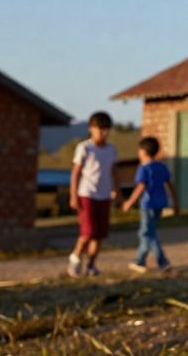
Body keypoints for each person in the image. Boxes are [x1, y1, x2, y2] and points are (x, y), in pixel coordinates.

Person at [68, 111, 118, 278]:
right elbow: (75, 173)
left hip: (104, 195)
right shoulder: (84, 148)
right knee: (87, 232)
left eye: (106, 129)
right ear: (91, 129)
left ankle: (91, 264)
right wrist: (73, 195)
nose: (103, 133)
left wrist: (116, 190)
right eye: (99, 129)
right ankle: (75, 259)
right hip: (87, 194)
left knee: (99, 234)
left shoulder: (111, 150)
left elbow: (113, 171)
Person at [121, 135, 179, 273]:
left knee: (147, 233)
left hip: (148, 205)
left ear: (143, 151)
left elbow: (141, 186)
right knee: (148, 233)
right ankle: (143, 261)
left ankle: (159, 261)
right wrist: (176, 202)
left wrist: (129, 202)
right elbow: (170, 185)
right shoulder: (161, 167)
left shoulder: (144, 168)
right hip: (160, 204)